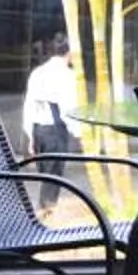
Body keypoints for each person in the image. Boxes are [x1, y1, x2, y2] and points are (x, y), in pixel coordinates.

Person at [21, 34, 81, 213]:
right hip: (56, 130)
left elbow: (29, 104)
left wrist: (30, 134)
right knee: (53, 177)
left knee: (46, 175)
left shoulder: (38, 72)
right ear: (69, 53)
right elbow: (68, 106)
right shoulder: (67, 75)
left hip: (38, 129)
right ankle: (45, 212)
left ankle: (45, 210)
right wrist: (78, 131)